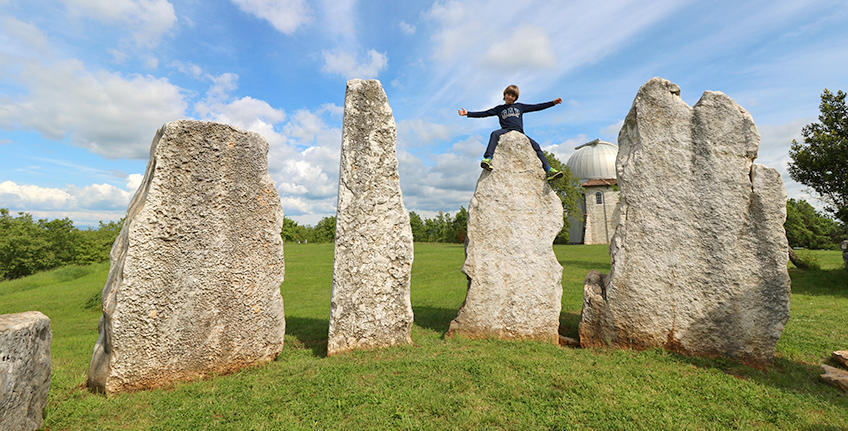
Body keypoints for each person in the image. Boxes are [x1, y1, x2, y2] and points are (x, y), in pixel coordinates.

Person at [458, 84, 564, 181]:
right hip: (506, 130)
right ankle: (488, 159)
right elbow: (485, 113)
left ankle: (549, 169)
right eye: (508, 94)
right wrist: (468, 113)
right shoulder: (499, 109)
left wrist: (553, 103)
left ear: (515, 98)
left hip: (519, 132)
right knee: (494, 133)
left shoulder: (520, 107)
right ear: (505, 95)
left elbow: (537, 107)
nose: (510, 97)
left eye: (513, 96)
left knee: (536, 145)